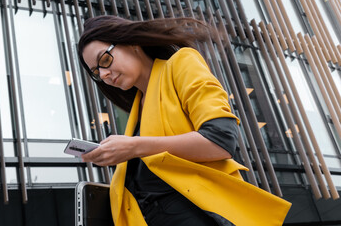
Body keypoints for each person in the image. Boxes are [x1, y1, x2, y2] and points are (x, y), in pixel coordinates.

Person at [77, 15, 291, 226]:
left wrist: (134, 146)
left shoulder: (181, 63)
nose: (104, 74)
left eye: (105, 60)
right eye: (97, 72)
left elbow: (220, 140)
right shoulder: (136, 111)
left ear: (132, 43)